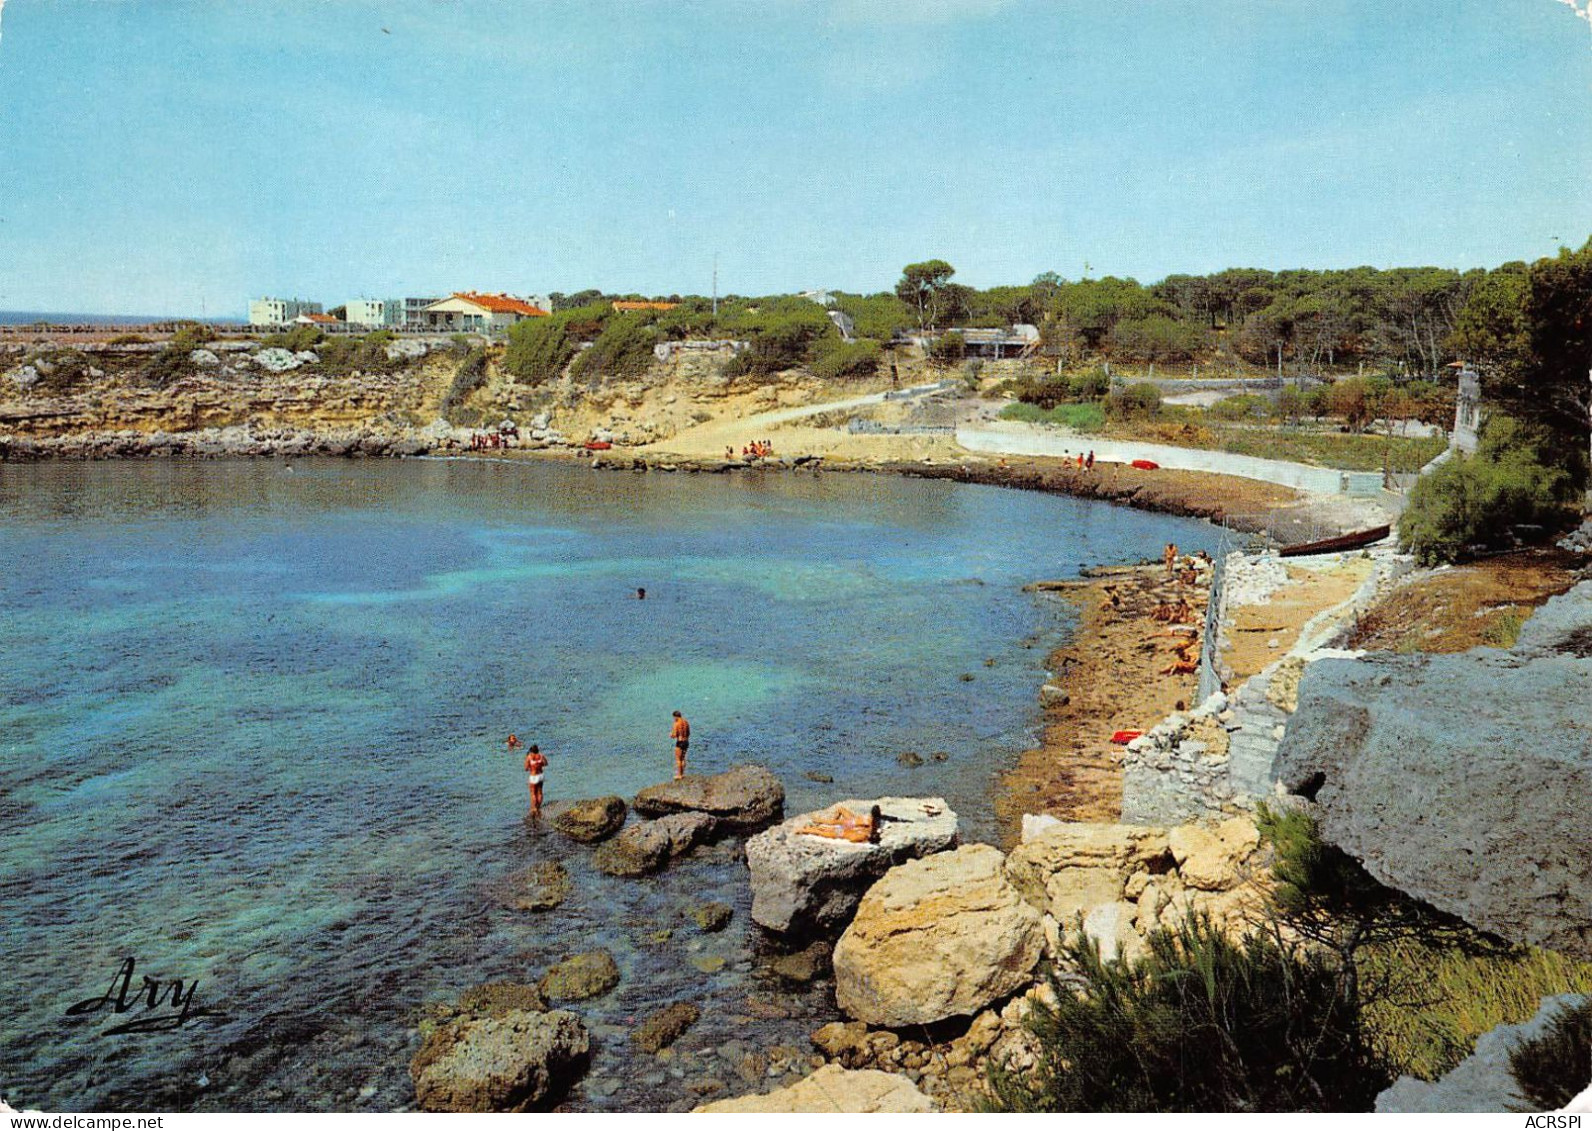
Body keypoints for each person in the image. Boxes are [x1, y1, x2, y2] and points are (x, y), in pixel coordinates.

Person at [795, 804, 882, 844]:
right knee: (825, 830)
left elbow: (855, 832)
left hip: (849, 826)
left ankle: (811, 825)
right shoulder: (866, 832)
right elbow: (852, 839)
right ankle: (806, 828)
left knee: (828, 826)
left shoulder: (869, 823)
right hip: (846, 830)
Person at [524, 743, 548, 818]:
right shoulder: (541, 756)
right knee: (540, 791)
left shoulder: (529, 757)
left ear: (531, 751)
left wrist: (531, 766)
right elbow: (546, 764)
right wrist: (539, 764)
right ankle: (538, 807)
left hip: (533, 776)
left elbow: (526, 768)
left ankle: (534, 808)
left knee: (533, 793)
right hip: (541, 775)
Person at [670, 710, 690, 779]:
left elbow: (675, 735)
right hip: (686, 742)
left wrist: (671, 735)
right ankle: (683, 774)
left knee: (678, 759)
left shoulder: (676, 723)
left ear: (675, 716)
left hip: (680, 742)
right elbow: (688, 733)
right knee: (683, 758)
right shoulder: (686, 722)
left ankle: (679, 775)